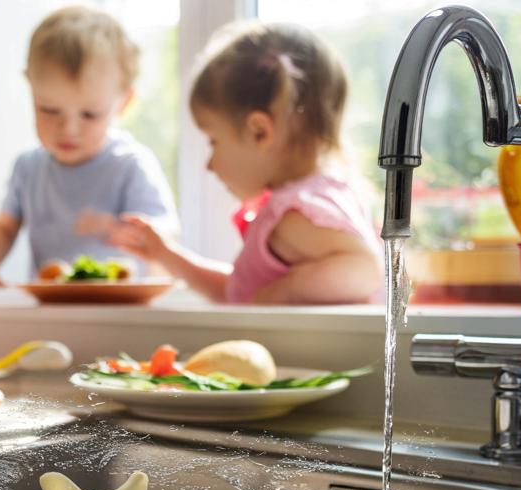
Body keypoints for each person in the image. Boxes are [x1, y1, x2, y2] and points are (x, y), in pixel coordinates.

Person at [111, 22, 382, 304]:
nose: (209, 164)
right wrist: (167, 256)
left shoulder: (295, 216)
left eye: (214, 141)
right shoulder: (317, 200)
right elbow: (237, 292)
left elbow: (364, 270)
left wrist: (278, 295)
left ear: (259, 132)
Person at [0, 6, 179, 297]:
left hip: (120, 311)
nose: (68, 129)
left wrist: (116, 227)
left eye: (89, 114)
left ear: (123, 103)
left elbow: (165, 238)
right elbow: (4, 227)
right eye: (48, 109)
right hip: (51, 309)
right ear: (31, 91)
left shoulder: (130, 166)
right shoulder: (28, 167)